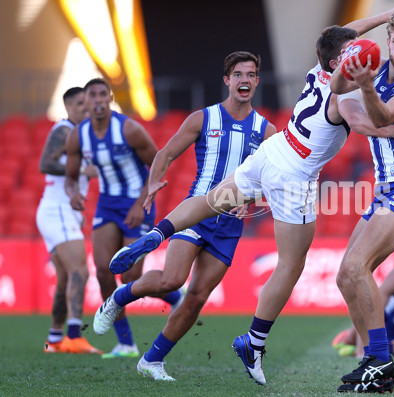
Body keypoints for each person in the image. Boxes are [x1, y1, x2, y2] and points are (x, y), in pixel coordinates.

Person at [101, 5, 394, 389]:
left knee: (210, 200)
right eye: (352, 49)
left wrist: (386, 15)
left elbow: (342, 32)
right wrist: (392, 132)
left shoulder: (318, 68)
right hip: (296, 176)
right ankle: (254, 343)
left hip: (272, 152)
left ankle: (157, 234)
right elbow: (357, 119)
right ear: (340, 59)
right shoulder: (347, 92)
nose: (359, 48)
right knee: (291, 265)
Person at [92, 51, 276, 381]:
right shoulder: (203, 118)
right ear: (227, 80)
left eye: (250, 74)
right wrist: (152, 185)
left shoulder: (266, 131)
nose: (244, 80)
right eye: (238, 74)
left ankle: (152, 360)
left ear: (257, 81)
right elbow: (166, 153)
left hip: (230, 225)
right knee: (171, 280)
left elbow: (272, 178)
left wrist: (250, 198)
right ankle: (118, 297)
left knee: (196, 299)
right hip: (195, 213)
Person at [330, 8, 394, 392]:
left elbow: (380, 116)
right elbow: (340, 93)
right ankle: (371, 360)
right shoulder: (374, 72)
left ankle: (380, 360)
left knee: (358, 266)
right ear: (387, 41)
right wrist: (348, 64)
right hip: (385, 191)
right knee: (345, 276)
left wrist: (366, 88)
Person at [65, 78, 183, 358]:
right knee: (104, 271)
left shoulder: (129, 129)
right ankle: (126, 343)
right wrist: (72, 194)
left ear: (109, 99)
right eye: (91, 96)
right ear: (86, 102)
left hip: (138, 202)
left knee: (130, 276)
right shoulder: (78, 136)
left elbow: (158, 165)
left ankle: (177, 296)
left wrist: (142, 199)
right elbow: (70, 177)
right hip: (107, 204)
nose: (97, 101)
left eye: (102, 95)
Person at [37, 87, 101, 355]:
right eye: (79, 105)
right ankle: (74, 337)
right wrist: (82, 169)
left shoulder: (80, 134)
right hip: (57, 210)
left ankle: (54, 339)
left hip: (62, 211)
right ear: (67, 107)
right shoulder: (64, 130)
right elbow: (45, 163)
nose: (85, 109)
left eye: (87, 104)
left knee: (65, 279)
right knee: (80, 272)